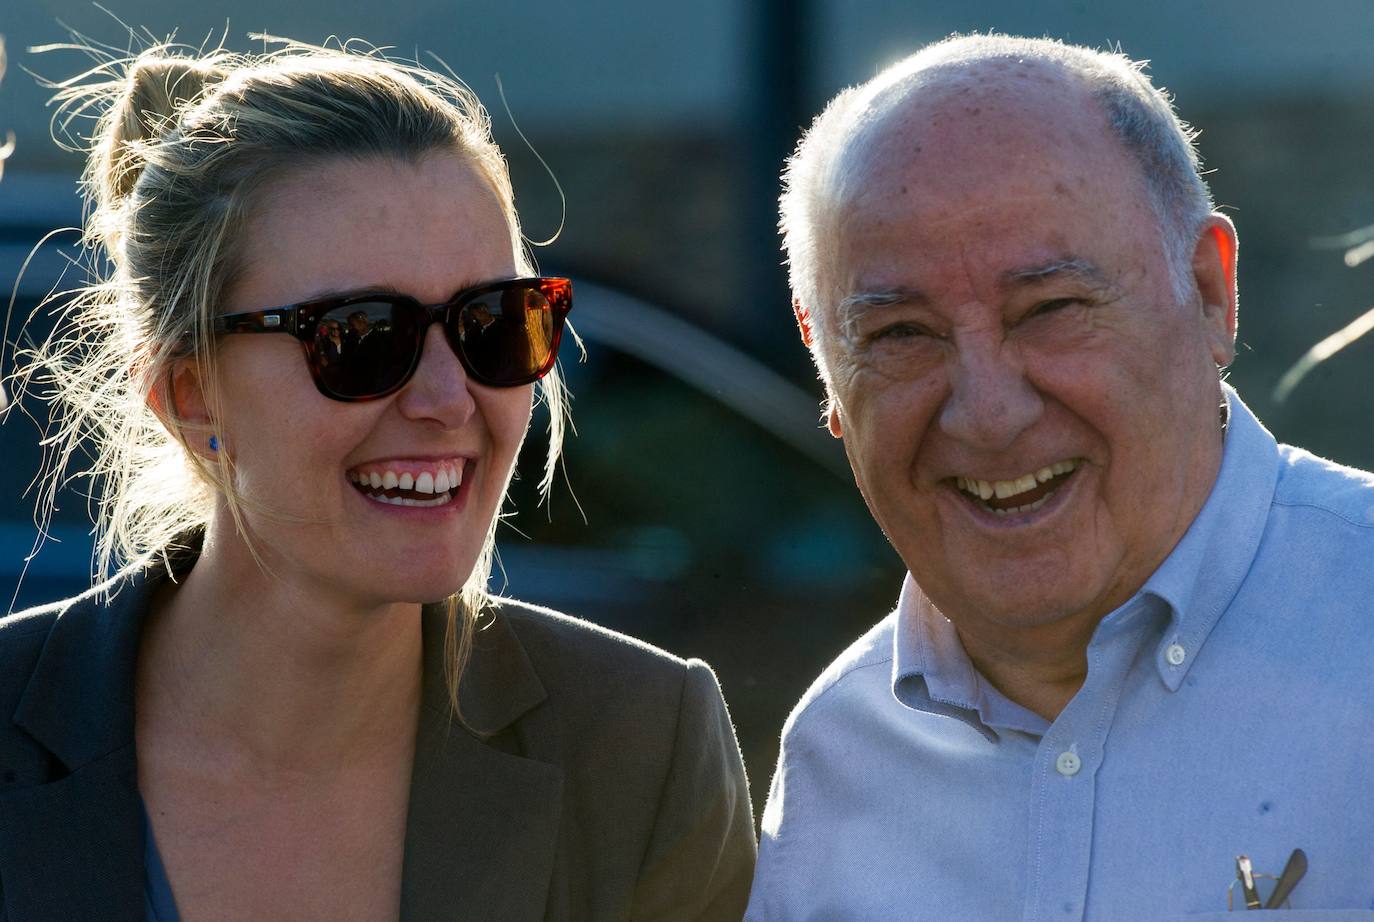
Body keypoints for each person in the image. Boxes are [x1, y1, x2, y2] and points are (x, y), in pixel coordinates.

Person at [0, 40, 754, 921]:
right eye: (361, 336)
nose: (445, 399)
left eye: (495, 324)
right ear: (189, 392)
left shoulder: (641, 745)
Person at [748, 33, 1374, 920]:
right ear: (830, 376)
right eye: (900, 335)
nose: (988, 412)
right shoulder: (838, 760)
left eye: (1050, 310)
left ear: (1208, 294)